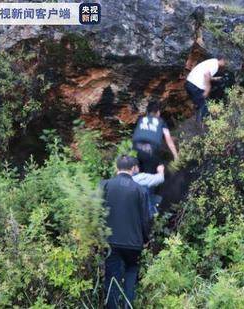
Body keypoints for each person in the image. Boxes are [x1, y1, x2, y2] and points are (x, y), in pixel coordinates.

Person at [101, 156, 150, 309]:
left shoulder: (105, 185)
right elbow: (145, 219)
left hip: (111, 242)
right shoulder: (140, 190)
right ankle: (128, 306)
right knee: (131, 275)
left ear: (117, 168)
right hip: (134, 244)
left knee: (112, 279)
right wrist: (146, 239)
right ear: (133, 169)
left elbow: (98, 213)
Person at [132, 100, 178, 173]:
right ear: (158, 112)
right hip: (151, 149)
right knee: (151, 171)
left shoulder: (141, 120)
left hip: (136, 147)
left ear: (147, 112)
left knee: (138, 170)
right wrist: (176, 156)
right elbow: (168, 139)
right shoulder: (161, 121)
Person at [185, 55, 227, 124]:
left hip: (189, 83)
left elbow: (207, 74)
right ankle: (199, 124)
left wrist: (215, 78)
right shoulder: (215, 65)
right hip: (195, 85)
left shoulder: (211, 62)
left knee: (200, 103)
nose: (225, 64)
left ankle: (198, 118)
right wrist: (208, 88)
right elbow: (206, 75)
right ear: (222, 60)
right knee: (204, 105)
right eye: (225, 62)